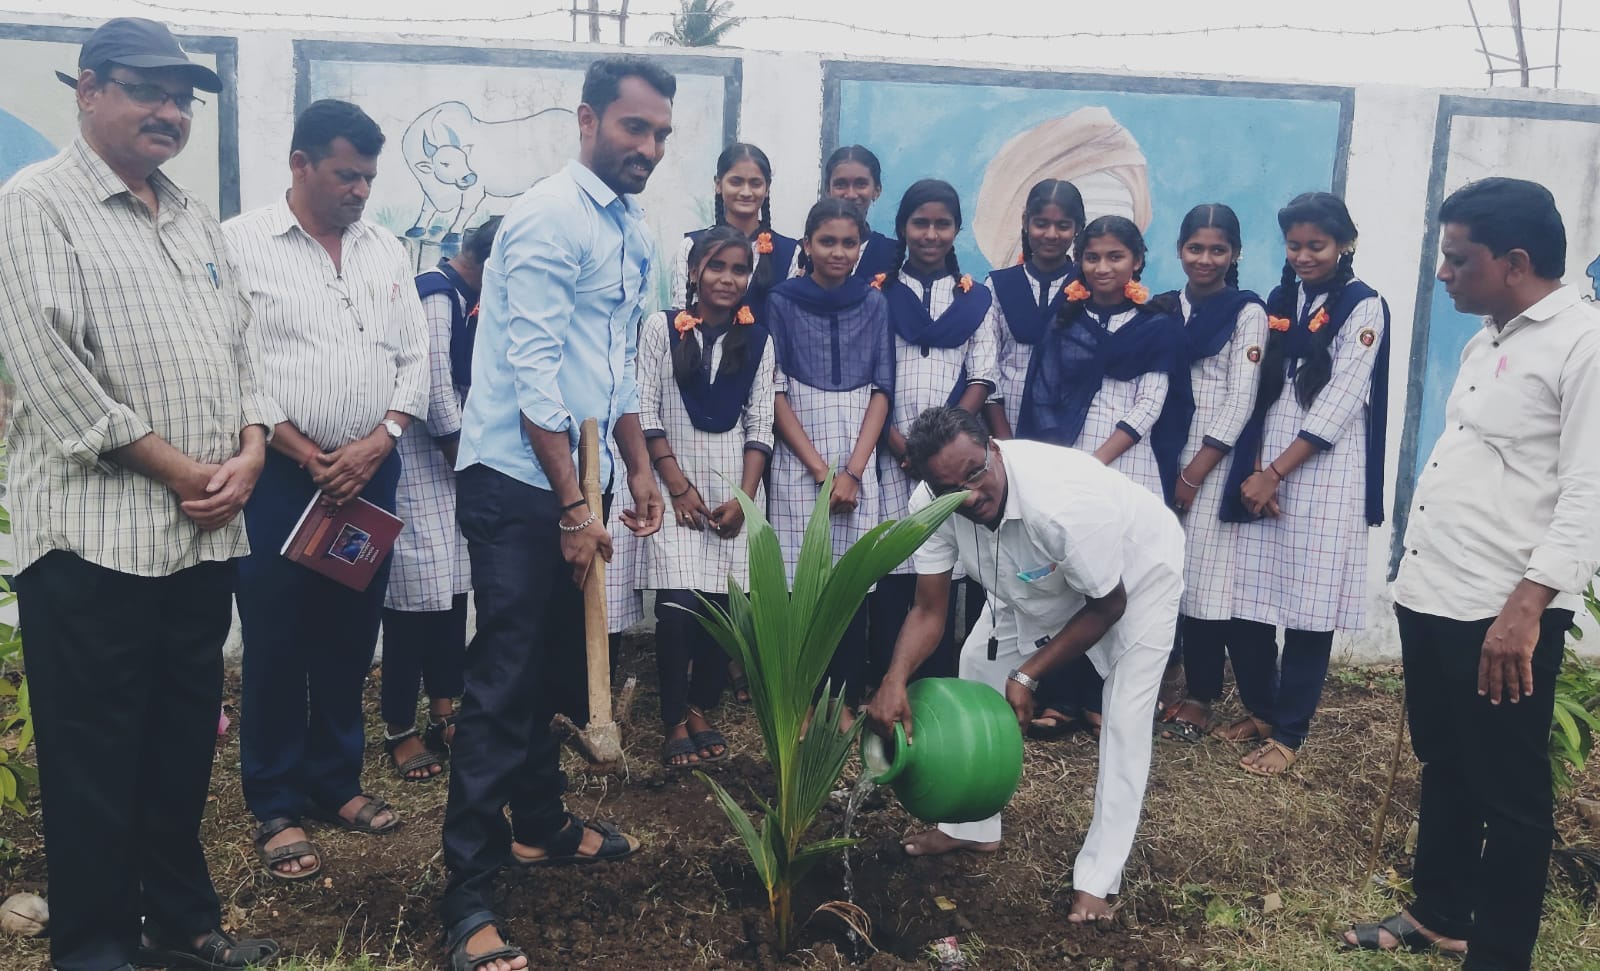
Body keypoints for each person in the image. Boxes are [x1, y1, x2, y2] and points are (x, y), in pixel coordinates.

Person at [0, 17, 278, 970]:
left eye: (182, 97)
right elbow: (55, 375)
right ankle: (96, 946)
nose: (170, 111)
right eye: (147, 90)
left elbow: (243, 348)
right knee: (92, 758)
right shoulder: (34, 206)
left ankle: (183, 926)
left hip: (199, 539)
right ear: (87, 89)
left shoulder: (193, 217)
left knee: (179, 747)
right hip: (92, 542)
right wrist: (186, 471)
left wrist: (251, 447)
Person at [441, 54, 672, 971]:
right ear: (588, 121)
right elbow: (534, 372)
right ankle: (466, 893)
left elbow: (613, 363)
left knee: (546, 672)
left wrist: (636, 464)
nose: (648, 146)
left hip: (578, 475)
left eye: (660, 133)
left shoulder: (629, 228)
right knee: (502, 681)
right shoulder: (546, 217)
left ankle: (539, 824)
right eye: (633, 127)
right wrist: (575, 507)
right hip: (516, 480)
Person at [1344, 178, 1600, 968]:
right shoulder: (1486, 340)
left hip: (1503, 610)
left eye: (1459, 259)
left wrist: (1527, 607)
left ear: (1514, 262)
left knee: (1511, 793)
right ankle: (1441, 911)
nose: (1443, 273)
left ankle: (1499, 954)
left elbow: (1590, 489)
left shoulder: (1584, 344)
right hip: (1436, 592)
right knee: (1445, 762)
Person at [865, 406, 1183, 925]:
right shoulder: (931, 505)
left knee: (1125, 715)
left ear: (994, 448)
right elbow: (928, 610)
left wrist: (1028, 673)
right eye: (949, 490)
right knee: (977, 662)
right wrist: (894, 679)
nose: (969, 496)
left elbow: (1108, 605)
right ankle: (972, 826)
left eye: (975, 474)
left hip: (1135, 576)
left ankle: (1099, 878)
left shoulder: (1063, 504)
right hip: (1033, 577)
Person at [226, 99, 429, 875]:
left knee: (349, 631)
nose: (360, 191)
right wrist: (308, 454)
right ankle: (276, 799)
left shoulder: (385, 249)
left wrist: (382, 439)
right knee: (276, 635)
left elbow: (415, 356)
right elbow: (235, 362)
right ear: (300, 163)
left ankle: (335, 781)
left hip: (370, 474)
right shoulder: (241, 244)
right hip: (282, 476)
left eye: (369, 177)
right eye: (346, 175)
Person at [1215, 192, 1390, 776]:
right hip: (1266, 461)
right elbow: (1262, 389)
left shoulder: (1365, 307)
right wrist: (1256, 468)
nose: (1304, 256)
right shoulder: (1281, 299)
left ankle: (1290, 733)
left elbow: (1340, 403)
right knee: (1248, 596)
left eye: (1317, 245)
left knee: (1309, 607)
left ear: (1345, 244)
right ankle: (1263, 710)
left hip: (1325, 471)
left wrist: (1274, 473)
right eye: (1294, 245)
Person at [1016, 214, 1191, 737]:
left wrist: (1095, 465)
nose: (1103, 267)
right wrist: (1064, 465)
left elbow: (1150, 404)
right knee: (1072, 579)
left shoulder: (1156, 324)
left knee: (1121, 581)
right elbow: (1043, 393)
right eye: (1092, 257)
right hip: (1069, 462)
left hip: (1125, 466)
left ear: (1137, 261)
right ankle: (1064, 698)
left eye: (1115, 256)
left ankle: (1106, 700)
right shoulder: (1066, 318)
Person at [641, 226, 776, 766]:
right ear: (694, 271)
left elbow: (760, 423)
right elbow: (645, 409)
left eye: (739, 269)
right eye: (716, 266)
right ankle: (673, 717)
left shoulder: (759, 340)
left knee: (723, 612)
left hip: (730, 494)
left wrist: (745, 501)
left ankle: (701, 707)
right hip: (673, 490)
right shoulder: (662, 328)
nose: (727, 278)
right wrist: (676, 486)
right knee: (677, 610)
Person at [381, 215, 502, 781]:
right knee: (413, 602)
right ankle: (399, 726)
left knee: (452, 591)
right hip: (423, 463)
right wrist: (463, 457)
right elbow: (432, 389)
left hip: (458, 462)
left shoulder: (469, 296)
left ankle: (444, 709)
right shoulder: (436, 292)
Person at [765, 197, 894, 716]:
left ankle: (843, 700)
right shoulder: (781, 301)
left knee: (852, 586)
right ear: (807, 245)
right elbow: (773, 392)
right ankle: (804, 702)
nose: (838, 252)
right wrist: (821, 471)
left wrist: (853, 473)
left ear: (861, 247)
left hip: (857, 457)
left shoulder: (875, 303)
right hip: (800, 461)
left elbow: (882, 390)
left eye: (848, 242)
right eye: (827, 242)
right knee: (801, 584)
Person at [869, 179, 999, 686]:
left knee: (944, 566)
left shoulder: (976, 301)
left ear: (956, 229)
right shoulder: (878, 294)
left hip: (950, 461)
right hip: (889, 451)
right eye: (920, 223)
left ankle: (938, 684)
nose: (930, 234)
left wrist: (938, 450)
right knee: (892, 565)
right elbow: (869, 374)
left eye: (942, 224)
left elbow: (981, 377)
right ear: (903, 227)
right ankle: (886, 681)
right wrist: (900, 444)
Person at [1151, 204, 1267, 743]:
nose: (1205, 259)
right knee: (1156, 569)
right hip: (1158, 447)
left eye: (1218, 249)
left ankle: (1200, 696)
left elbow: (1241, 399)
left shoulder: (1247, 312)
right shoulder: (1162, 308)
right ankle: (1156, 679)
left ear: (1235, 254)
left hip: (1212, 458)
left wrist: (1195, 473)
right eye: (1195, 248)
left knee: (1202, 576)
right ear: (1179, 249)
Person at [983, 178, 1085, 440]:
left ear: (1078, 228)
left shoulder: (1087, 286)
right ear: (1026, 222)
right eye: (1041, 223)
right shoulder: (999, 285)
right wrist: (1005, 441)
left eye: (1063, 226)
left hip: (1070, 430)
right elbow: (988, 365)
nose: (1051, 234)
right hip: (1004, 423)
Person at [669, 142, 799, 318]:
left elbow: (789, 319)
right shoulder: (692, 246)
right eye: (736, 182)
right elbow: (681, 313)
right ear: (718, 184)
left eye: (755, 184)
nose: (746, 192)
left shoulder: (790, 252)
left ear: (767, 188)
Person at [823, 145, 898, 281]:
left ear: (877, 191)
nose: (851, 194)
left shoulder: (891, 254)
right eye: (841, 184)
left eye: (861, 184)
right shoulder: (808, 252)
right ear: (828, 190)